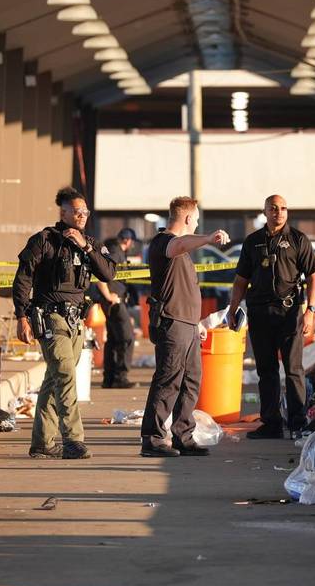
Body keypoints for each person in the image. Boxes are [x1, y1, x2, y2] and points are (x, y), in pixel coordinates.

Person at [13, 187, 117, 460]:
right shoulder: (44, 240)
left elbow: (108, 273)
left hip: (76, 321)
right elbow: (22, 278)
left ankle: (42, 443)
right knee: (66, 377)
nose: (82, 216)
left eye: (85, 212)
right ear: (64, 212)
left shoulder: (90, 243)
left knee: (54, 380)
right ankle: (73, 440)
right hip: (50, 318)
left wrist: (85, 247)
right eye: (77, 212)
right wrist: (21, 317)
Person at [139, 196, 229, 458]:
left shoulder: (182, 250)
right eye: (196, 219)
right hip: (172, 322)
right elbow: (178, 243)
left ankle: (183, 435)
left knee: (191, 381)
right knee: (168, 379)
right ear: (188, 218)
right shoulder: (164, 243)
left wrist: (198, 323)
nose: (198, 222)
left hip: (188, 324)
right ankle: (153, 439)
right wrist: (208, 238)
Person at [227, 195, 315, 439]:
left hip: (289, 313)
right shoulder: (253, 241)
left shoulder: (298, 239)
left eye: (283, 208)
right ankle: (271, 423)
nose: (278, 212)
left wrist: (310, 310)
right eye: (273, 208)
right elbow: (240, 281)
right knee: (266, 370)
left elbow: (313, 278)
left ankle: (298, 422)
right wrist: (232, 309)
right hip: (259, 313)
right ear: (265, 212)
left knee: (293, 370)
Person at [95, 228, 137, 389]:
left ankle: (109, 379)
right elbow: (100, 272)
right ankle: (120, 377)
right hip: (114, 302)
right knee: (127, 338)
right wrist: (108, 295)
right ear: (127, 240)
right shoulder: (115, 251)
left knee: (113, 339)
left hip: (114, 301)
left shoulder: (114, 250)